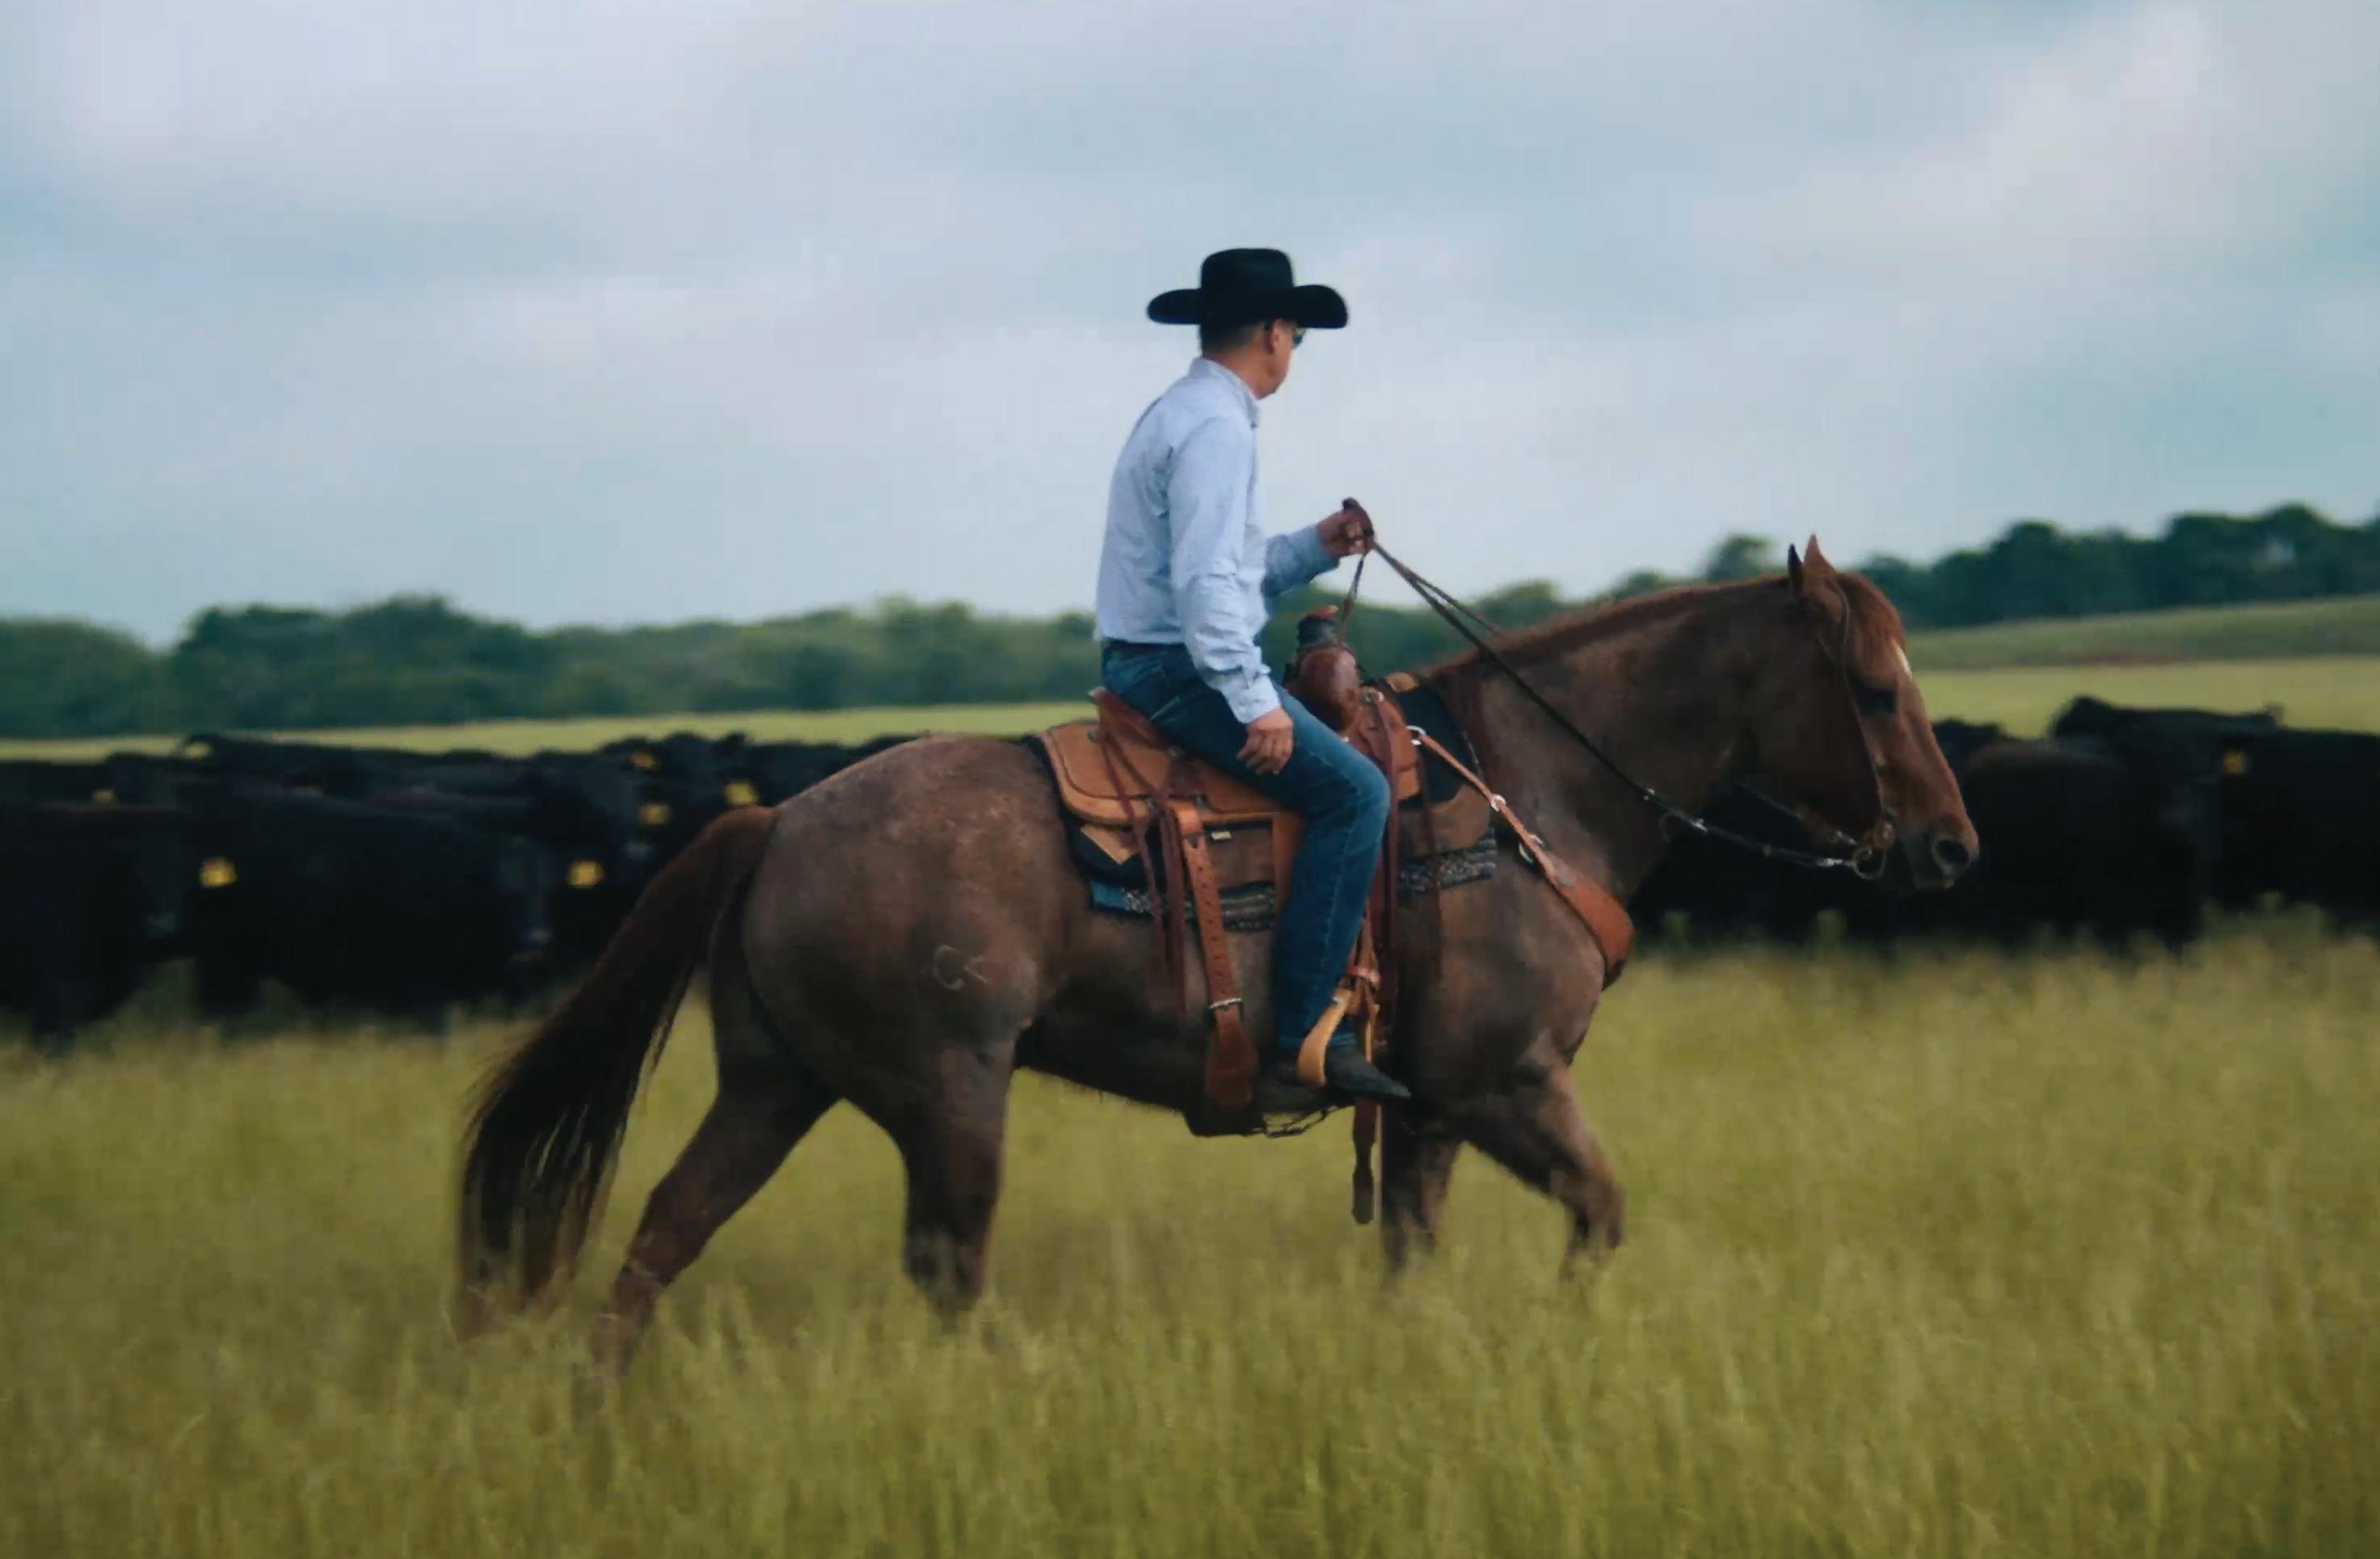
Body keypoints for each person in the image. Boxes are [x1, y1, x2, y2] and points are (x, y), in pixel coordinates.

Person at [1093, 248, 1407, 1102]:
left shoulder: (1186, 411)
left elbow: (1226, 571)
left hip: (1153, 656)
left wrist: (1316, 546)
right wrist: (1252, 700)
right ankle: (1304, 1036)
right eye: (1297, 335)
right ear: (1273, 333)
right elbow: (1203, 586)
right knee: (1356, 794)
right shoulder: (1217, 429)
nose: (1292, 350)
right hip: (1178, 669)